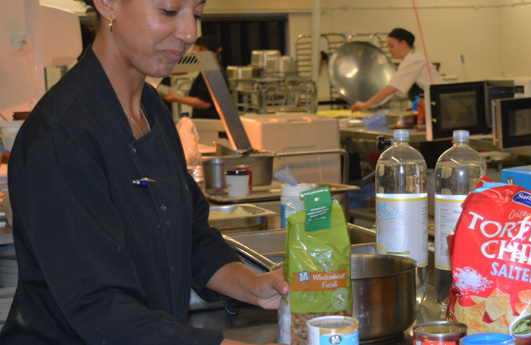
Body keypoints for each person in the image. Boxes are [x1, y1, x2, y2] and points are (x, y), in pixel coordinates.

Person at [0, 0, 288, 344]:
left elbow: (191, 237)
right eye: (168, 11)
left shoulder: (151, 110)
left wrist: (254, 286)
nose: (189, 33)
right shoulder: (62, 135)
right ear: (107, 4)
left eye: (196, 14)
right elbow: (99, 308)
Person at [350, 28, 443, 112]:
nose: (389, 50)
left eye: (391, 46)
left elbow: (391, 88)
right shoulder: (411, 59)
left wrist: (365, 104)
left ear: (403, 44)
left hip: (437, 106)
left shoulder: (413, 60)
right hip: (431, 106)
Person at [163, 35, 224, 119]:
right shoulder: (211, 70)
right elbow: (186, 71)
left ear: (204, 50)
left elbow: (204, 103)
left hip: (209, 121)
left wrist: (176, 98)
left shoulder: (211, 73)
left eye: (194, 48)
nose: (192, 52)